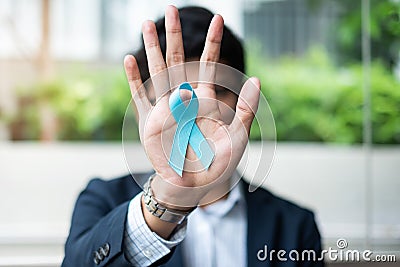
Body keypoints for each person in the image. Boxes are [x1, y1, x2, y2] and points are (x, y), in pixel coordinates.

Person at [62, 6, 324, 267]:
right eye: (174, 97)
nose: (195, 115)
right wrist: (168, 200)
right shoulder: (101, 201)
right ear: (141, 108)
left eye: (216, 92)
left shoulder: (294, 227)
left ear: (242, 100)